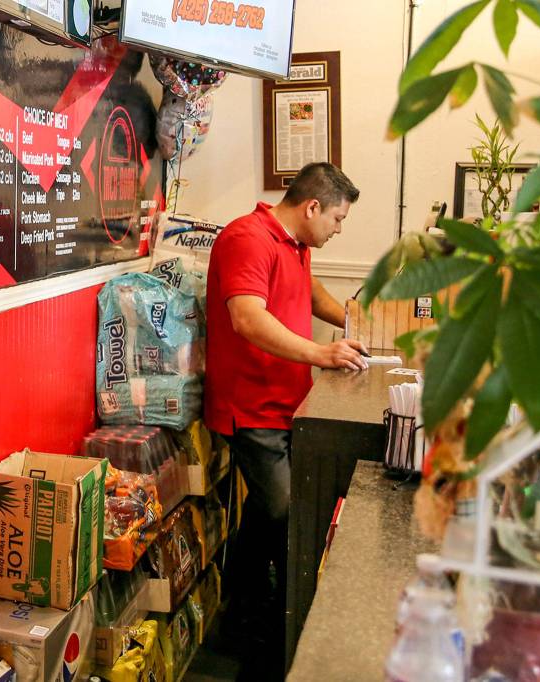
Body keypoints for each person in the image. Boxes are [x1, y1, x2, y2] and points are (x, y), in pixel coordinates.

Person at [206, 162, 367, 679]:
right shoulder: (246, 238)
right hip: (250, 405)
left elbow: (308, 294)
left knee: (271, 511)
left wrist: (356, 321)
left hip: (284, 401)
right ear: (312, 207)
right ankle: (271, 622)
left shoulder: (294, 243)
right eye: (337, 220)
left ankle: (241, 601)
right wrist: (323, 354)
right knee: (281, 514)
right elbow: (246, 318)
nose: (338, 230)